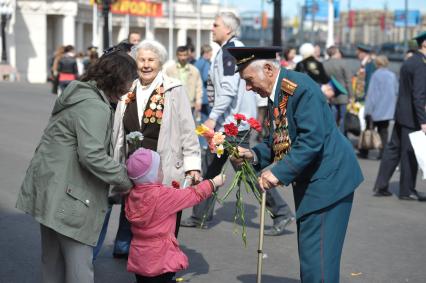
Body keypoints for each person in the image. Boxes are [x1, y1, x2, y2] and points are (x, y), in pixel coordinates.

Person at [228, 46, 363, 282]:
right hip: (316, 182)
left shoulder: (299, 89)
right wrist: (253, 155)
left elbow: (311, 140)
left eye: (249, 80)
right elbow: (277, 140)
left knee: (317, 261)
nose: (248, 88)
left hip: (328, 182)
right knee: (314, 257)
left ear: (268, 69)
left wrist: (278, 173)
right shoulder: (279, 90)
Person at [15, 51, 139, 283]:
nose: (129, 89)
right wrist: (124, 179)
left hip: (50, 187)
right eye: (130, 81)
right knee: (79, 266)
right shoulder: (95, 106)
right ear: (119, 79)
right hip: (69, 195)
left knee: (52, 263)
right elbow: (92, 155)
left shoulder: (78, 93)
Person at [181, 12, 294, 236]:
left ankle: (281, 212)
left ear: (228, 30)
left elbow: (229, 90)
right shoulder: (229, 50)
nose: (211, 28)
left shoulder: (230, 52)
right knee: (212, 167)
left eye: (216, 25)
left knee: (247, 171)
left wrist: (213, 118)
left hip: (231, 125)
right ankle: (200, 215)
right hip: (231, 122)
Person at [109, 39, 202, 258]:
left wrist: (193, 166)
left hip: (165, 165)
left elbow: (188, 130)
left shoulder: (173, 89)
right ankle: (138, 257)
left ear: (160, 62)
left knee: (166, 217)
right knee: (136, 216)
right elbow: (118, 132)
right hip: (134, 168)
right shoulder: (127, 89)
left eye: (151, 60)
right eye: (141, 60)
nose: (146, 65)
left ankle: (164, 262)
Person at [125, 148, 225, 283]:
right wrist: (213, 183)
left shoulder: (133, 194)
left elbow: (172, 197)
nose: (162, 172)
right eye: (159, 170)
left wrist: (187, 183)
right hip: (161, 258)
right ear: (151, 175)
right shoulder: (162, 196)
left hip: (140, 258)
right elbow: (193, 195)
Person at [372, 32, 426, 200]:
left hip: (402, 113)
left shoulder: (409, 61)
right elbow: (419, 95)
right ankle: (406, 190)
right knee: (409, 153)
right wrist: (423, 120)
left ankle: (381, 186)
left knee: (393, 150)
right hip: (412, 117)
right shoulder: (421, 65)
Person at [363, 55, 398, 159]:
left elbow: (372, 94)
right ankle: (383, 153)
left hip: (375, 109)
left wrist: (368, 110)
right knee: (384, 132)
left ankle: (365, 151)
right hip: (388, 110)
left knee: (369, 130)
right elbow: (396, 92)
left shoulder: (375, 75)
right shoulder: (392, 75)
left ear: (377, 64)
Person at [164, 46, 203, 114]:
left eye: (184, 55)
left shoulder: (194, 70)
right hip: (174, 103)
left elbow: (199, 87)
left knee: (188, 124)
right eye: (180, 55)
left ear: (188, 55)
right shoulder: (169, 70)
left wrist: (198, 101)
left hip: (190, 103)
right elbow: (165, 86)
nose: (182, 58)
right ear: (177, 55)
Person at [323, 46, 352, 134]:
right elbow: (348, 80)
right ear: (335, 53)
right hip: (343, 93)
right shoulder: (343, 63)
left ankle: (332, 135)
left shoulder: (324, 64)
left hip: (330, 93)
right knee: (343, 116)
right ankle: (342, 136)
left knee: (332, 116)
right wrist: (351, 95)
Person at [194, 44, 213, 120]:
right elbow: (206, 78)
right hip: (207, 95)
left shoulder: (197, 62)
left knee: (201, 118)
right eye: (211, 53)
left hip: (198, 94)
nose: (211, 55)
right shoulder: (206, 63)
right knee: (209, 118)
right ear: (206, 53)